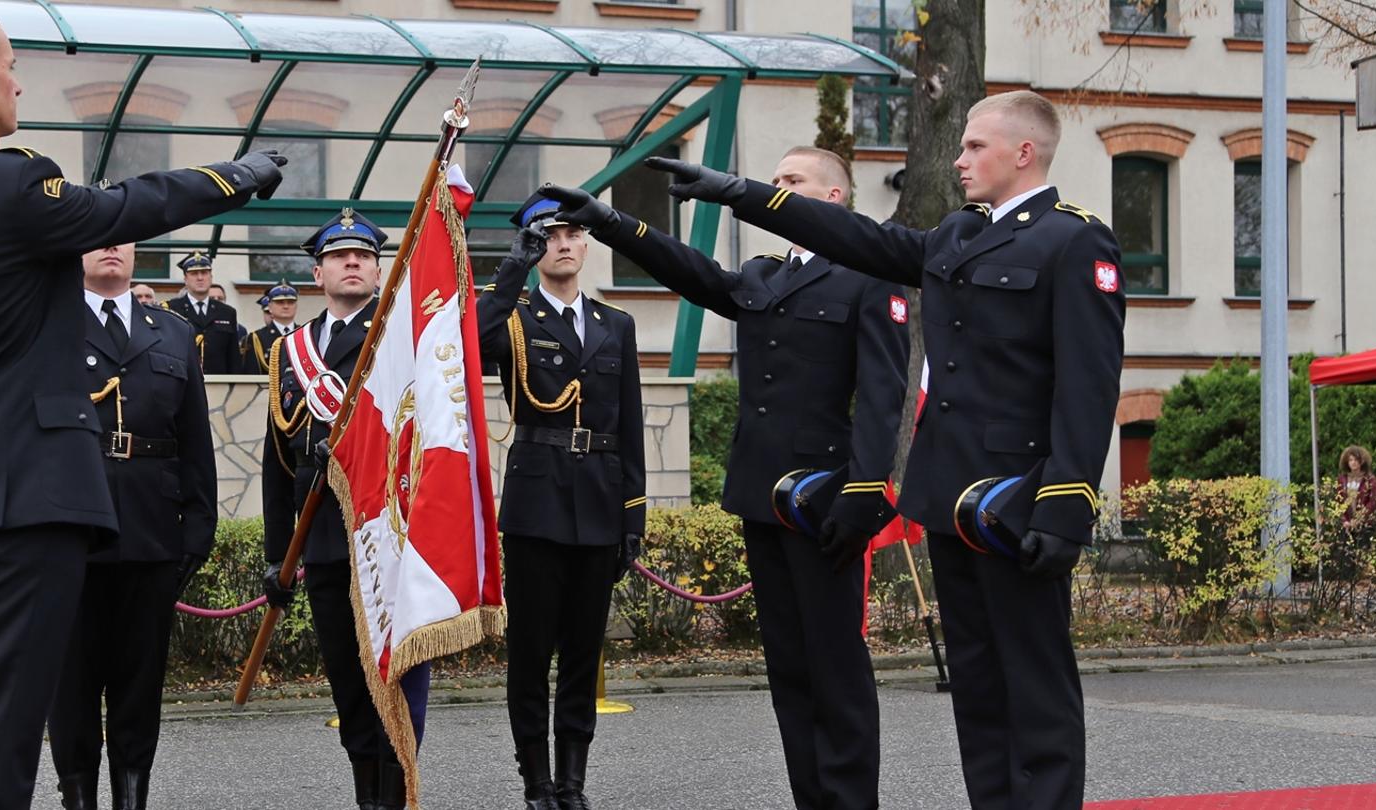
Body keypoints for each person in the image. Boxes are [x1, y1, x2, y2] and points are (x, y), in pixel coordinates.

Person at [650, 89, 1124, 809]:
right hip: (949, 493)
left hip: (1019, 501)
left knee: (1035, 686)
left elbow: (1088, 385)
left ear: (1023, 153)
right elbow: (861, 240)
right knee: (977, 686)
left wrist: (1065, 504)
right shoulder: (959, 235)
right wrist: (739, 194)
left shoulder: (1073, 239)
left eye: (974, 147)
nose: (959, 159)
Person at [0, 5, 283, 808]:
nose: (19, 78)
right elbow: (130, 206)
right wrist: (242, 175)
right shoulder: (14, 182)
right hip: (31, 502)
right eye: (12, 62)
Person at [542, 147, 908, 810]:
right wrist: (609, 222)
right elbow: (699, 275)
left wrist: (864, 492)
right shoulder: (767, 274)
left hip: (824, 505)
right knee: (790, 672)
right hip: (760, 499)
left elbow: (885, 395)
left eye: (791, 180)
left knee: (836, 670)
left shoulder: (864, 277)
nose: (778, 189)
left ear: (830, 199)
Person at [475, 192, 645, 810]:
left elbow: (629, 423)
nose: (564, 244)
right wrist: (508, 271)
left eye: (573, 233)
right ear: (533, 246)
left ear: (586, 242)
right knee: (531, 652)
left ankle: (572, 781)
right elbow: (470, 340)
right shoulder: (513, 318)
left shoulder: (614, 325)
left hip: (600, 501)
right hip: (537, 501)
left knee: (582, 652)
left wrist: (634, 514)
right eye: (549, 236)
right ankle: (536, 782)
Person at [47, 242, 216, 810]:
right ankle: (77, 798)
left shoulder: (169, 332)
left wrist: (198, 526)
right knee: (70, 687)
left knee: (139, 689)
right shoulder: (44, 322)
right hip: (68, 532)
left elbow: (195, 439)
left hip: (150, 533)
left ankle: (131, 798)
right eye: (99, 236)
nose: (113, 247)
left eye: (123, 236)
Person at [261, 209, 420, 810]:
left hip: (385, 536)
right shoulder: (290, 352)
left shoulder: (397, 340)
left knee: (390, 688)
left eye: (363, 255)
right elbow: (278, 463)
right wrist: (280, 558)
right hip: (322, 539)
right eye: (339, 255)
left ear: (379, 270)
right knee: (349, 692)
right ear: (317, 270)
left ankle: (395, 796)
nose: (351, 262)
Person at [164, 251, 240, 373]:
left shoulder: (227, 312)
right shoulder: (172, 309)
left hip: (219, 383)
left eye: (204, 273)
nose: (200, 278)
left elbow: (233, 357)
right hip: (185, 382)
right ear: (185, 279)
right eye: (194, 273)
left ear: (211, 277)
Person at [238, 282, 299, 374]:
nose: (286, 306)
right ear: (270, 307)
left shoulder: (307, 333)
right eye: (280, 302)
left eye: (290, 302)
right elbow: (251, 373)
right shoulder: (256, 338)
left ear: (296, 306)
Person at [1336, 446, 1376, 551]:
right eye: (1351, 460)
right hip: (1346, 527)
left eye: (1356, 460)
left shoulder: (1370, 480)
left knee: (1365, 556)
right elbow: (1338, 501)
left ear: (1362, 461)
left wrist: (1358, 519)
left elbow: (1373, 502)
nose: (1353, 462)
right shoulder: (1342, 479)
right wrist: (1345, 521)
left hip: (1365, 525)